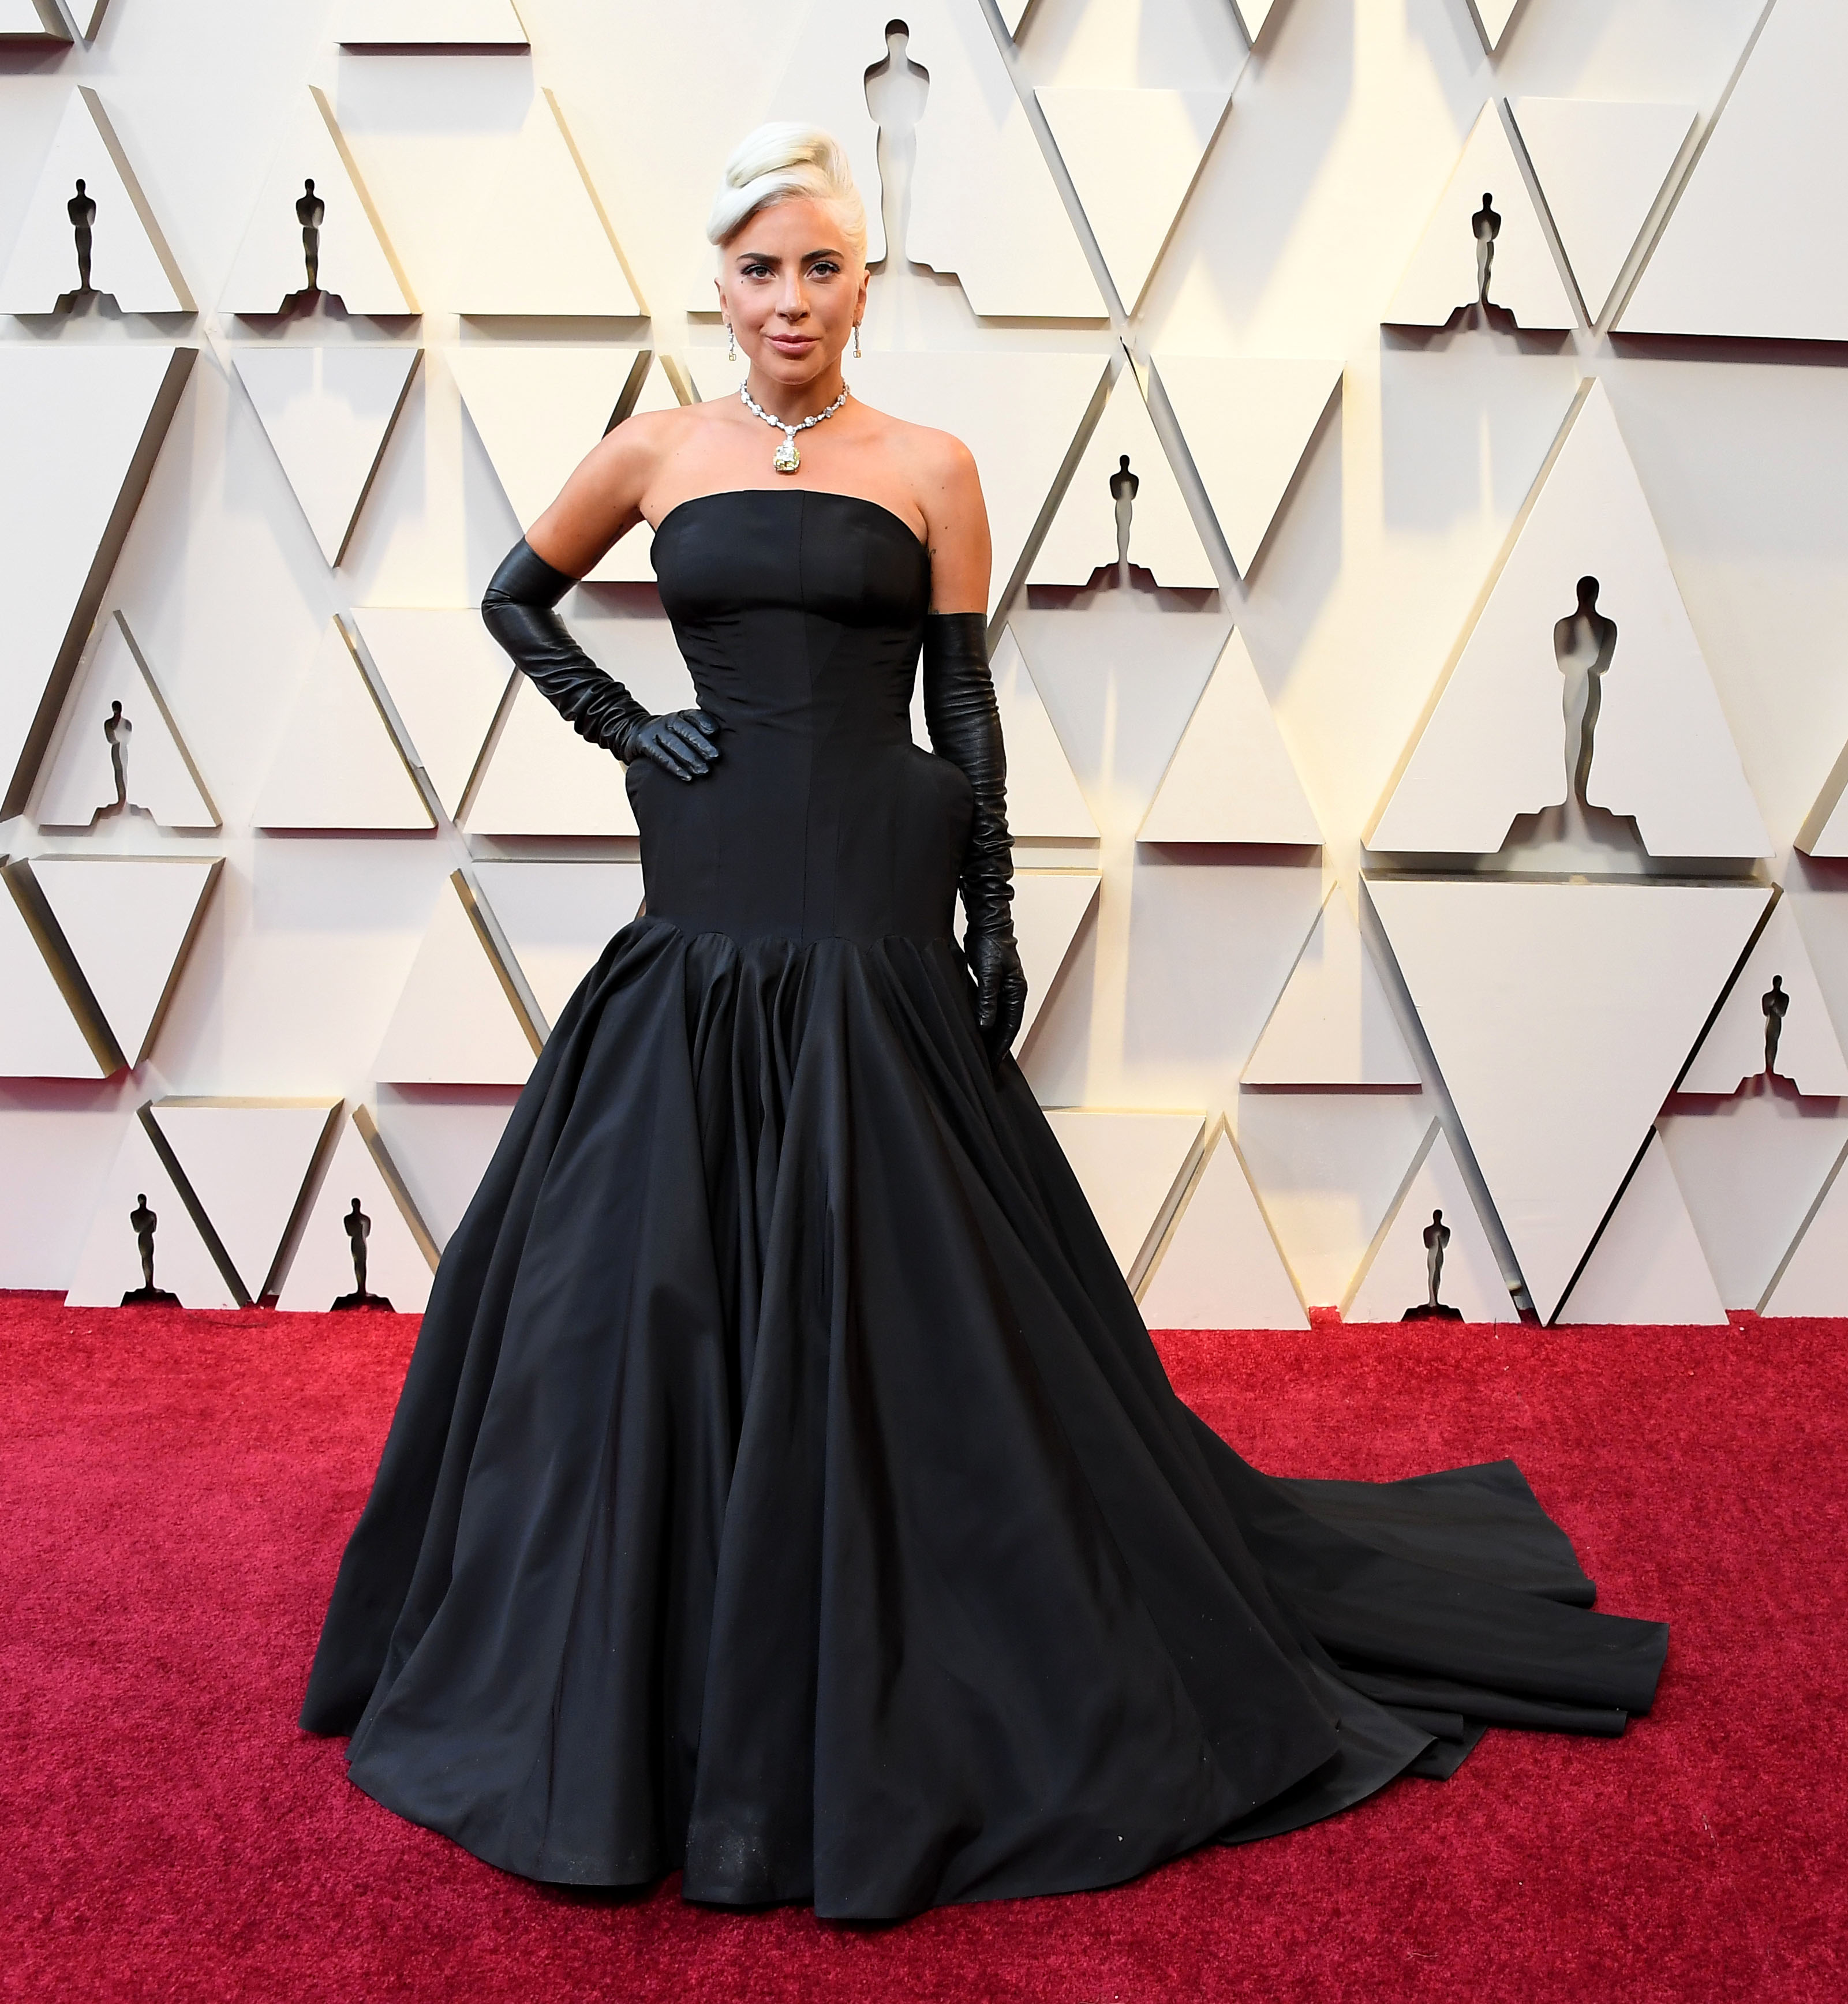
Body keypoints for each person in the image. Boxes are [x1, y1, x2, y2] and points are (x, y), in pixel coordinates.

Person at [301, 123, 1667, 1922]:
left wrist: (995, 904)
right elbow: (509, 597)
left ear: (863, 283)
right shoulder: (652, 448)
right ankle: (648, 1632)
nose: (790, 299)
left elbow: (962, 700)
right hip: (708, 857)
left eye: (821, 266)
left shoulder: (932, 463)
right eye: (761, 269)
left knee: (904, 1244)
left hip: (875, 859)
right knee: (634, 1265)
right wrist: (626, 728)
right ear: (718, 283)